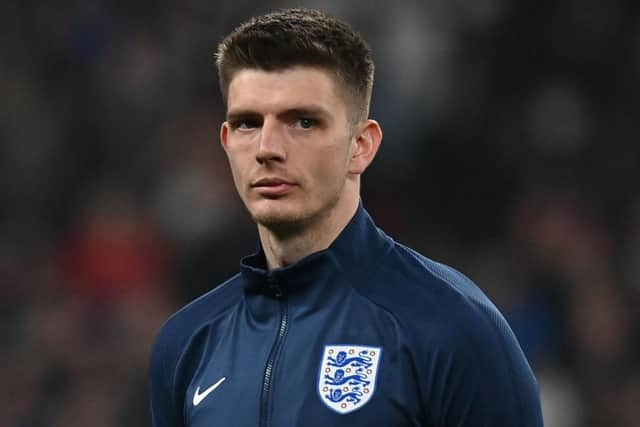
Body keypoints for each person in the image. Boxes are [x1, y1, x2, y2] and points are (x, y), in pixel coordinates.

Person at [149, 8, 543, 427]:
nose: (267, 148)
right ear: (227, 142)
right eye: (248, 123)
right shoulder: (187, 344)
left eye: (302, 122)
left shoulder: (451, 327)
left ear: (361, 145)